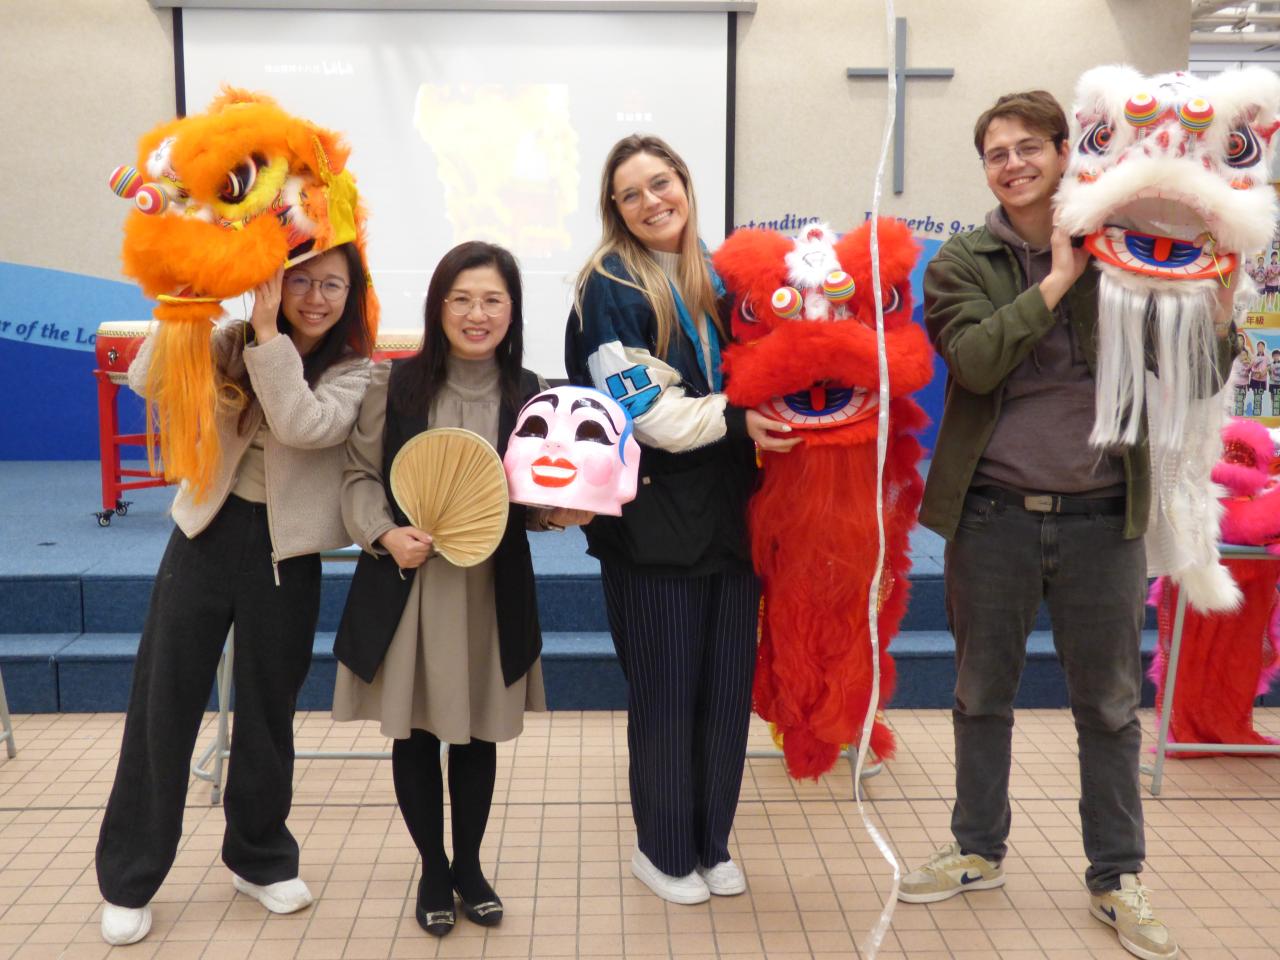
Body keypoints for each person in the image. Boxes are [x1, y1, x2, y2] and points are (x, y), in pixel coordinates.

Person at [900, 90, 1218, 960]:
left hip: (1104, 521)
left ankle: (1117, 876)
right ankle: (977, 849)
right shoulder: (962, 260)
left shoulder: (1128, 251)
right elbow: (973, 362)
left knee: (1109, 709)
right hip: (992, 516)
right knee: (979, 695)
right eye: (995, 153)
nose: (1012, 164)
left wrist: (1215, 297)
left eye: (1027, 146)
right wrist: (1056, 279)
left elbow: (1194, 372)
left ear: (1063, 151)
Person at [96, 243, 375, 946]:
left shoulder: (356, 371)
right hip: (204, 538)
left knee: (267, 712)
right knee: (162, 705)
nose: (315, 297)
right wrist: (189, 306)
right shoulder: (227, 340)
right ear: (270, 280)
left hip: (287, 557)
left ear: (352, 294)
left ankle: (259, 857)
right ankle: (129, 877)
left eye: (332, 285)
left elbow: (303, 425)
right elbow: (147, 380)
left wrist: (269, 333)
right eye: (300, 280)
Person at [331, 241, 590, 938]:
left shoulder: (532, 395)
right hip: (410, 587)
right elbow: (357, 477)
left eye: (493, 300)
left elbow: (531, 498)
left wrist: (561, 512)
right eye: (463, 299)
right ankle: (432, 868)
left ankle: (469, 867)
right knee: (416, 733)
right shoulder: (392, 385)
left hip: (490, 591)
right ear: (438, 306)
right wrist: (385, 534)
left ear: (513, 310)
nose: (478, 314)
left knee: (478, 734)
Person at [564, 134, 798, 905]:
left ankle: (711, 843)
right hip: (652, 527)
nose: (651, 202)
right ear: (615, 209)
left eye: (660, 183)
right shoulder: (607, 286)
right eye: (631, 194)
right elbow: (650, 415)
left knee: (725, 694)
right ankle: (663, 852)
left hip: (733, 516)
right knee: (667, 696)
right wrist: (739, 415)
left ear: (686, 185)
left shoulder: (719, 277)